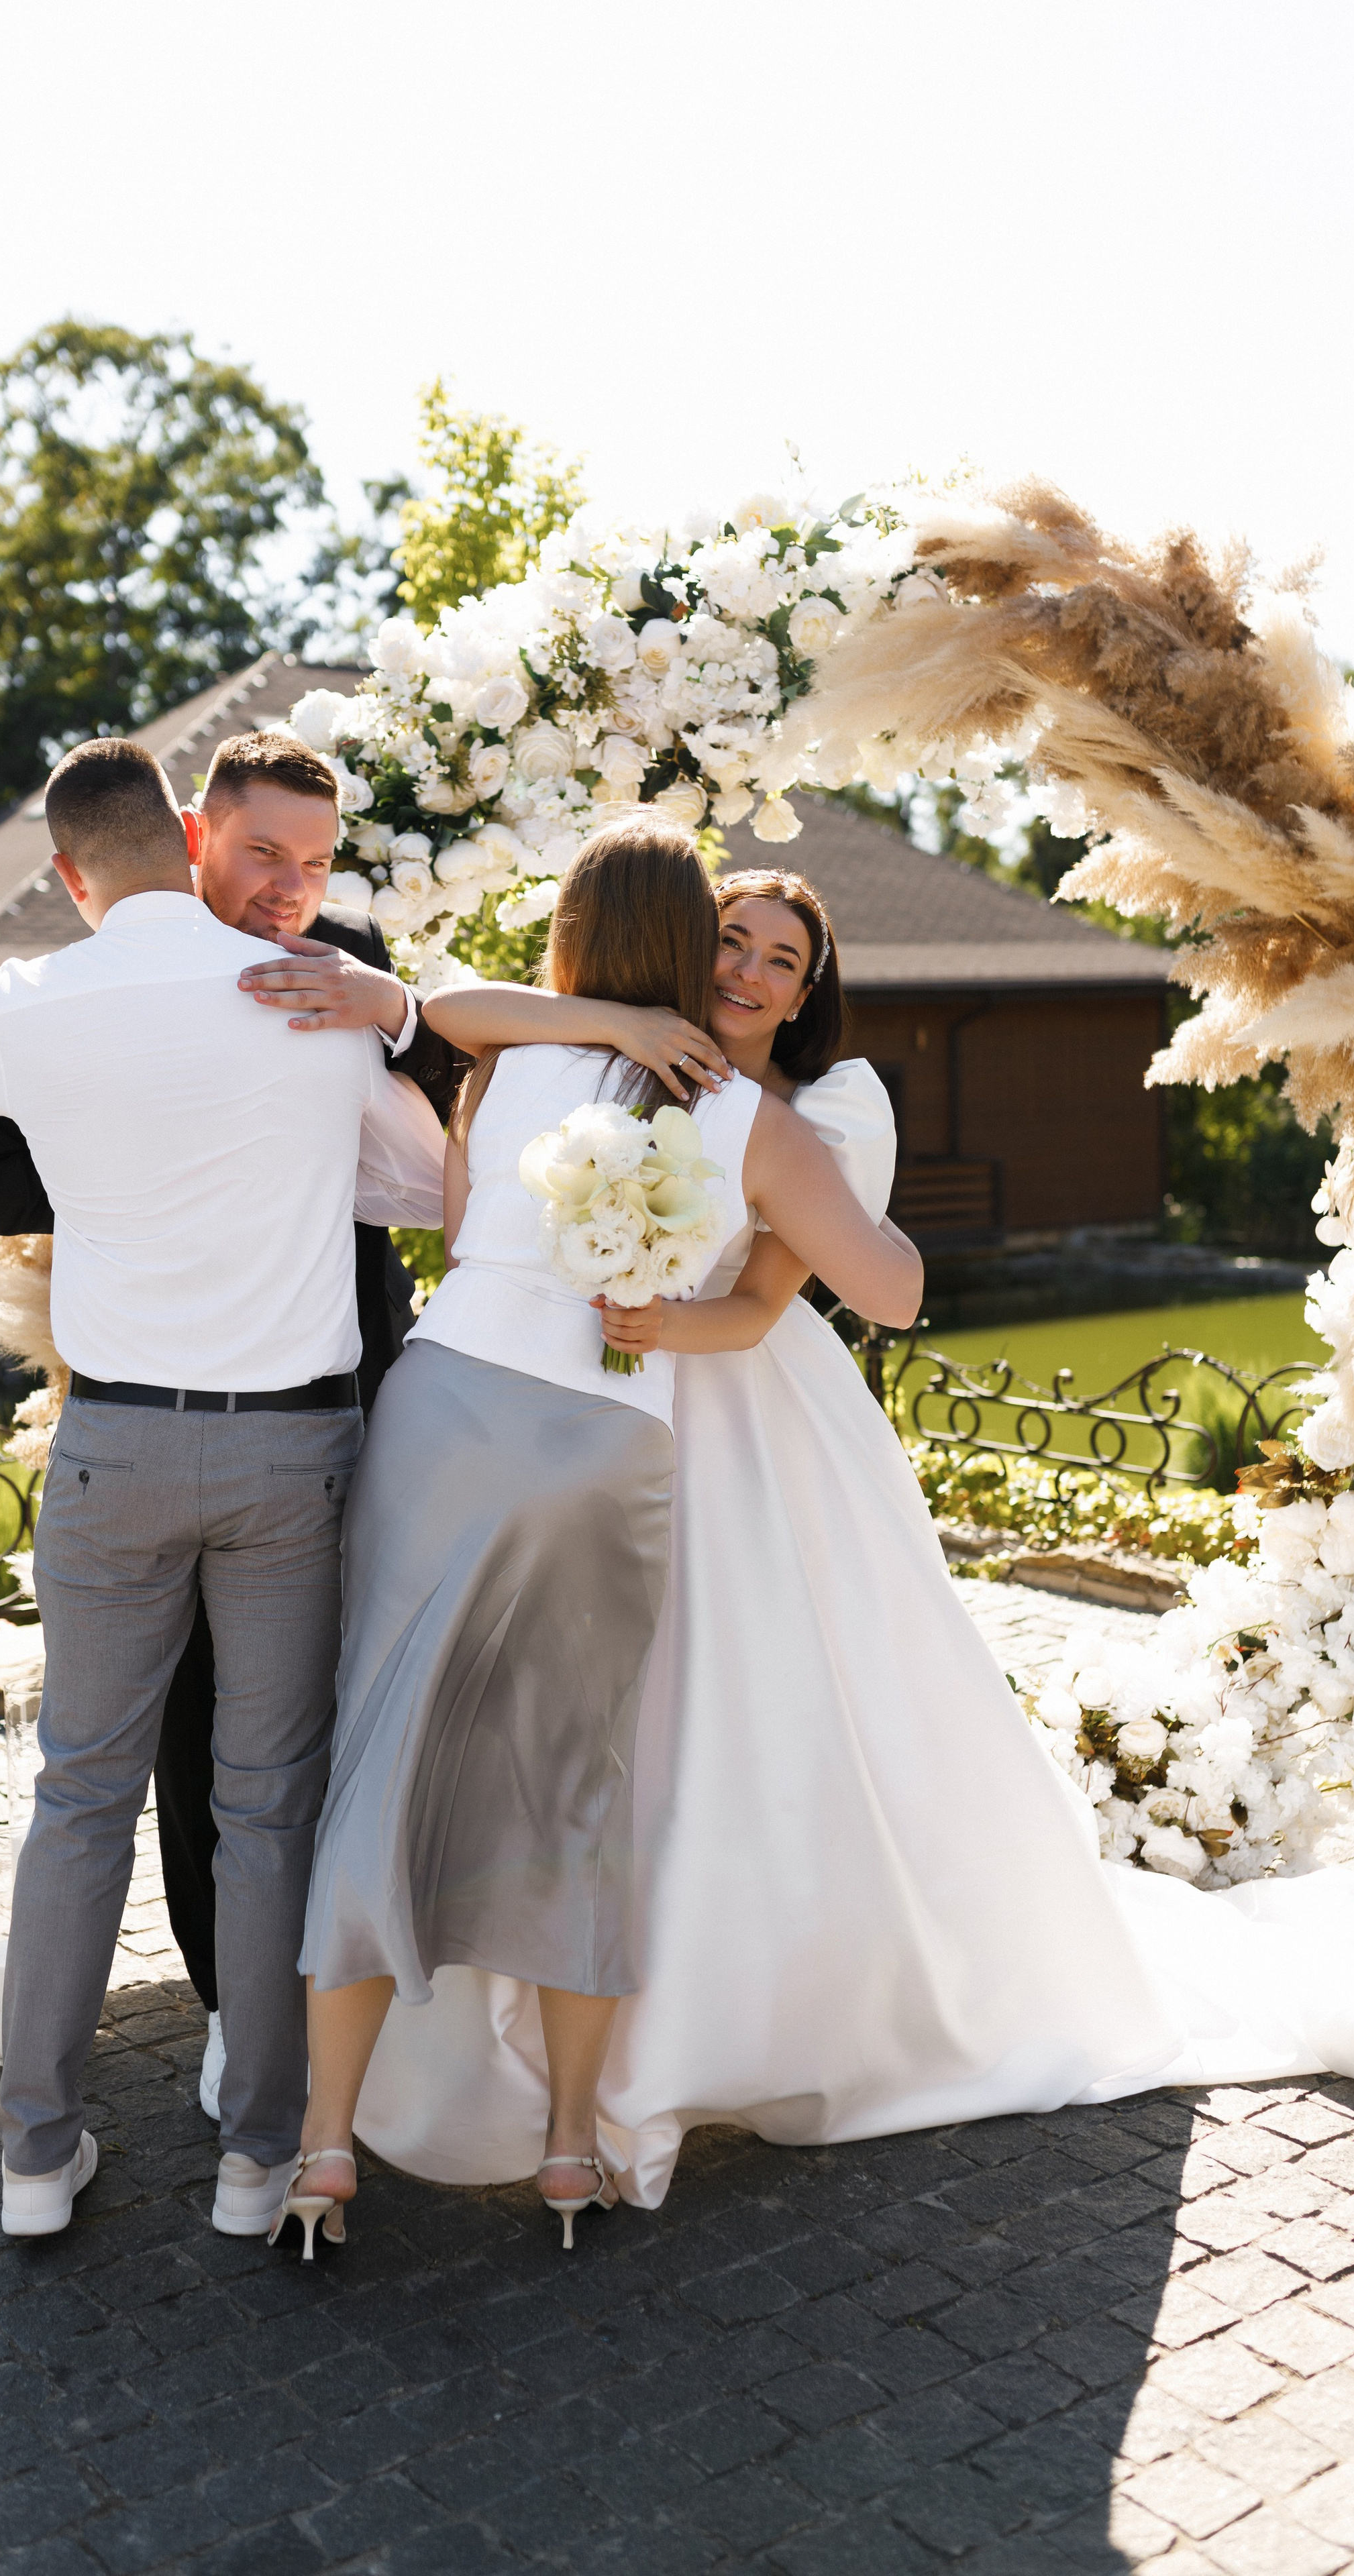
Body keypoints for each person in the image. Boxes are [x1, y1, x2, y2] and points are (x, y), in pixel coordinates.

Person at [346, 863, 1354, 2212]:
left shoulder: (808, 1115)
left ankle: (714, 2017)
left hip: (736, 1421)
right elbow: (452, 1012)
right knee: (576, 1723)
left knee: (727, 1708)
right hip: (575, 1423)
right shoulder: (585, 1055)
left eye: (777, 958)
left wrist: (668, 1318)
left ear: (805, 994)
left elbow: (801, 1299)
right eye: (726, 940)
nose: (743, 969)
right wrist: (620, 1044)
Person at [279, 818, 924, 2255]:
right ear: (691, 946)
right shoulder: (754, 1124)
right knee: (575, 1793)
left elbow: (452, 1205)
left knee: (379, 1764)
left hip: (440, 1416)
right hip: (605, 1443)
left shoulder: (508, 1060)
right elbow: (892, 1292)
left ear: (578, 938)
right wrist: (810, 1215)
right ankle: (569, 2151)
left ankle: (325, 2145)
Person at [0, 737, 444, 2239]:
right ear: (192, 834)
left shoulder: (33, 995)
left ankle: (34, 2157)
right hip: (294, 1450)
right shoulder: (315, 1001)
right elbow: (420, 1183)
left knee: (77, 1797)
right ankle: (256, 2161)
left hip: (116, 1447)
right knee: (266, 1807)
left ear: (78, 872)